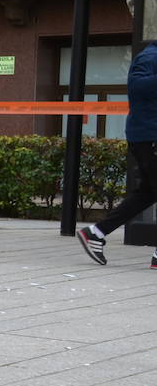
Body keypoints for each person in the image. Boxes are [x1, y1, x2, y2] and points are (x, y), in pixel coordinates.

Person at [77, 39, 157, 269]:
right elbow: (137, 87)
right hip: (149, 137)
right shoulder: (149, 56)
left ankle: (96, 232)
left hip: (147, 136)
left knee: (147, 193)